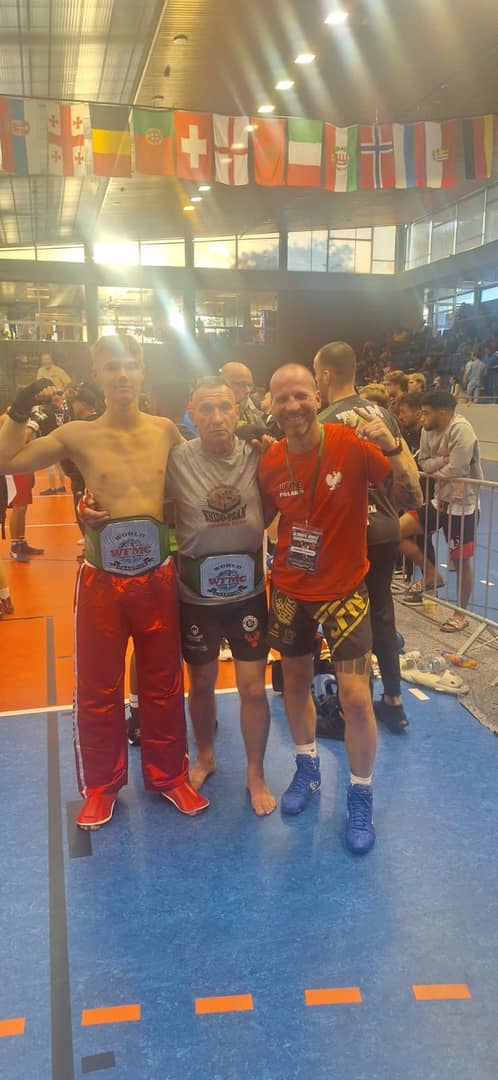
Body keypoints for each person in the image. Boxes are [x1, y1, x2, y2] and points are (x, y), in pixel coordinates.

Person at [0, 333, 209, 830]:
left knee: (163, 683)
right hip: (101, 580)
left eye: (129, 365)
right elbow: (8, 461)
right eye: (111, 366)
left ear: (141, 370)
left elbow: (200, 479)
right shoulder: (77, 434)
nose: (121, 374)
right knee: (98, 686)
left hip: (157, 576)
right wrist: (18, 410)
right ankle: (101, 786)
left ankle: (169, 776)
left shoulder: (164, 430)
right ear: (96, 374)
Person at [258, 363, 403, 854]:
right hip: (289, 590)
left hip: (345, 590)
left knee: (356, 698)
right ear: (271, 404)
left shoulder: (351, 443)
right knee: (295, 684)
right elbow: (258, 516)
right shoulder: (270, 460)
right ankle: (307, 768)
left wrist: (392, 445)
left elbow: (408, 490)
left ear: (317, 396)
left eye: (300, 394)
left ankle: (360, 794)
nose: (292, 405)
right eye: (282, 398)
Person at [165, 376, 275, 815]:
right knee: (202, 683)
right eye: (206, 409)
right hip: (196, 597)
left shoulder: (257, 454)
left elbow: (286, 491)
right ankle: (206, 756)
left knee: (253, 689)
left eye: (224, 408)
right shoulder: (176, 459)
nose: (216, 418)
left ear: (237, 410)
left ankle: (255, 772)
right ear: (191, 413)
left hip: (248, 595)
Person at [314, 343, 422, 736]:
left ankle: (349, 713)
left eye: (317, 374)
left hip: (349, 535)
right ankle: (393, 702)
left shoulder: (323, 421)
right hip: (385, 529)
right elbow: (410, 479)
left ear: (326, 375)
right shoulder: (383, 414)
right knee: (382, 614)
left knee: (347, 622)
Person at [399, 391, 483, 633]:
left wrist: (437, 466)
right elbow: (423, 463)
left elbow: (456, 469)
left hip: (463, 506)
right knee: (396, 531)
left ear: (443, 413)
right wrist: (441, 461)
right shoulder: (428, 430)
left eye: (426, 413)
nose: (422, 417)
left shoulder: (461, 430)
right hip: (440, 501)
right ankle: (431, 574)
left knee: (460, 561)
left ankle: (460, 614)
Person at [221, 361, 265, 433]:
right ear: (224, 384)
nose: (248, 390)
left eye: (249, 385)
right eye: (241, 384)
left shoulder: (252, 412)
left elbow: (267, 435)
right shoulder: (213, 414)